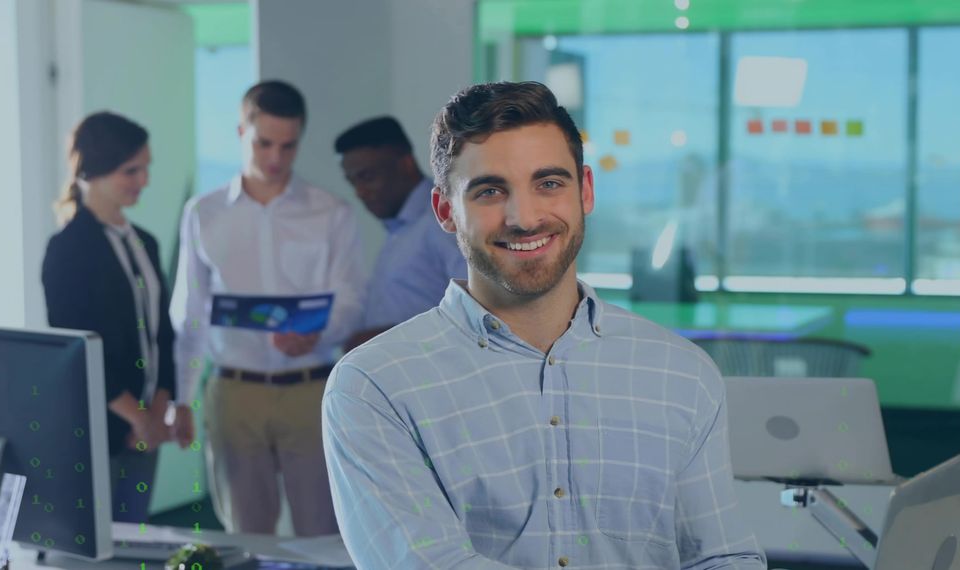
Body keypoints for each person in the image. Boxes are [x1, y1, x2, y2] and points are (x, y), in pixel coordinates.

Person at [323, 82, 766, 568]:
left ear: (586, 191)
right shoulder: (374, 386)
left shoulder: (681, 374)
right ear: (446, 211)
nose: (525, 217)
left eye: (549, 183)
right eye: (490, 190)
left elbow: (724, 557)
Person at [170, 80, 365, 536]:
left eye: (288, 146)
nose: (275, 158)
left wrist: (319, 333)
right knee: (246, 536)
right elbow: (190, 314)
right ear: (241, 132)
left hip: (311, 390)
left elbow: (353, 298)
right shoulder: (203, 213)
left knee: (323, 534)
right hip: (234, 391)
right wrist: (181, 399)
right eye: (264, 143)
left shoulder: (332, 212)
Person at [42, 111, 189, 523]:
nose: (144, 180)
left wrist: (160, 409)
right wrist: (137, 417)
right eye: (132, 170)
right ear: (94, 171)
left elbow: (162, 332)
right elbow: (78, 347)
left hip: (147, 427)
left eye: (146, 169)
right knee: (100, 544)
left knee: (134, 536)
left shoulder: (146, 242)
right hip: (99, 428)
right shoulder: (67, 249)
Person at [334, 116, 465, 351]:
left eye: (367, 177)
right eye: (352, 182)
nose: (360, 192)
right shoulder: (399, 229)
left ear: (405, 164)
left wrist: (383, 339)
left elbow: (476, 310)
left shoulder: (442, 221)